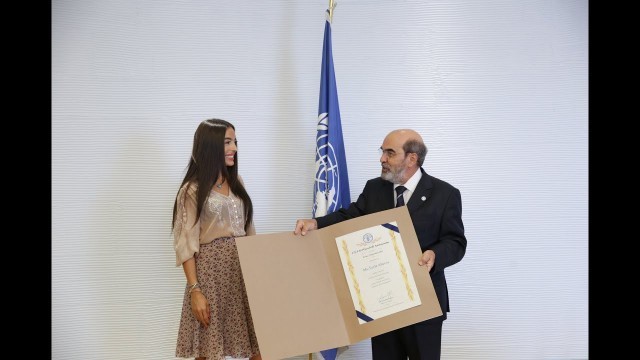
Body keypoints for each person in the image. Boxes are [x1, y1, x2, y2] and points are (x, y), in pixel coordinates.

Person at [294, 129, 466, 360]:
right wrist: (316, 223)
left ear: (412, 159)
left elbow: (455, 241)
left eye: (390, 153)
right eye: (382, 151)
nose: (382, 159)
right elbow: (350, 215)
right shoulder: (375, 188)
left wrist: (435, 254)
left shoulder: (445, 194)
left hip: (424, 302)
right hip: (382, 301)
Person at [172, 118, 261, 360]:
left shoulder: (237, 183)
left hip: (242, 274)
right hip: (210, 277)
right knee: (209, 351)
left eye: (235, 142)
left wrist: (259, 274)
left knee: (260, 346)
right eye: (227, 142)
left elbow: (249, 230)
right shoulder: (191, 190)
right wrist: (195, 290)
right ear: (210, 147)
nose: (234, 148)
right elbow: (186, 243)